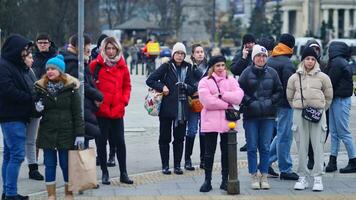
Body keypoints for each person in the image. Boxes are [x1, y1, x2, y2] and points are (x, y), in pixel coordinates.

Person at [33, 54, 84, 200]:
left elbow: (77, 114)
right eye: (48, 69)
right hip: (47, 132)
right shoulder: (40, 88)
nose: (49, 71)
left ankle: (69, 193)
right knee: (49, 165)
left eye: (53, 69)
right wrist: (37, 108)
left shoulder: (71, 89)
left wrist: (80, 134)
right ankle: (51, 194)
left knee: (66, 164)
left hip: (66, 133)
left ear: (60, 71)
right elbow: (35, 111)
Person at [286, 47, 333, 191]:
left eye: (313, 59)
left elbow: (328, 96)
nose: (310, 61)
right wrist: (298, 107)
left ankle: (317, 178)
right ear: (303, 60)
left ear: (316, 60)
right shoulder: (294, 77)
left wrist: (320, 109)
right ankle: (302, 177)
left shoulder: (323, 77)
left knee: (318, 146)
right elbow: (289, 96)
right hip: (299, 114)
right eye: (307, 58)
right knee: (301, 146)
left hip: (318, 114)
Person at [89, 36, 133, 185]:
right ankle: (104, 173)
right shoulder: (95, 65)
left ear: (117, 49)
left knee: (120, 142)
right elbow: (89, 85)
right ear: (103, 49)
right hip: (101, 111)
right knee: (101, 143)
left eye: (113, 48)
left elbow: (127, 85)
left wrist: (124, 100)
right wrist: (96, 101)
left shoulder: (122, 65)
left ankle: (123, 173)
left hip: (117, 110)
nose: (111, 51)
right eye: (108, 48)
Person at [146, 42, 195, 175]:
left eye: (182, 53)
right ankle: (165, 165)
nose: (179, 56)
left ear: (185, 55)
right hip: (167, 108)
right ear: (173, 54)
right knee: (165, 138)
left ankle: (178, 165)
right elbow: (150, 80)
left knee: (179, 138)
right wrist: (162, 87)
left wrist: (186, 86)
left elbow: (193, 88)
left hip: (182, 109)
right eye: (177, 53)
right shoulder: (166, 66)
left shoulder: (188, 67)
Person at [238, 45, 283, 190]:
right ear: (253, 58)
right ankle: (253, 175)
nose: (261, 58)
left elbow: (279, 91)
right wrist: (250, 102)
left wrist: (271, 102)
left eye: (264, 56)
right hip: (251, 115)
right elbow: (239, 91)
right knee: (252, 147)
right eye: (258, 56)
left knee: (265, 147)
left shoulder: (273, 73)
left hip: (268, 116)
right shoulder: (246, 73)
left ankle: (264, 174)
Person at [198, 55, 244, 192]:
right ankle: (207, 180)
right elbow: (207, 102)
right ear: (212, 67)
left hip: (227, 123)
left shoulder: (231, 80)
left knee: (226, 152)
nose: (220, 68)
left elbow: (238, 96)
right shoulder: (204, 81)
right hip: (210, 122)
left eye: (223, 65)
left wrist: (222, 94)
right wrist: (227, 104)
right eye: (217, 65)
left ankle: (225, 180)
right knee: (208, 153)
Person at [0, 34, 33, 200]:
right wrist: (30, 98)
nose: (25, 54)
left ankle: (8, 192)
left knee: (9, 155)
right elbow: (8, 90)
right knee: (17, 155)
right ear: (15, 49)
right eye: (24, 50)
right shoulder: (4, 66)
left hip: (14, 116)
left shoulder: (12, 64)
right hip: (12, 117)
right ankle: (11, 194)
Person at [267, 33, 299, 180]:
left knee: (280, 133)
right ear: (290, 46)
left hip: (273, 103)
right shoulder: (286, 63)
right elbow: (290, 86)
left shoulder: (271, 58)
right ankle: (285, 168)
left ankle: (266, 162)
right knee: (285, 136)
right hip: (285, 103)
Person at [324, 41, 356, 173]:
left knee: (342, 132)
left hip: (340, 100)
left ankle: (353, 161)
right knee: (335, 132)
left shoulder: (337, 63)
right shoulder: (341, 61)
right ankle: (333, 161)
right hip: (337, 100)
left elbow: (330, 81)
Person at [21, 43, 45, 182]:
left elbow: (35, 88)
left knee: (31, 140)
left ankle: (33, 167)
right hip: (24, 111)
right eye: (29, 57)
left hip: (35, 110)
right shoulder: (19, 71)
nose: (32, 59)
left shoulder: (31, 71)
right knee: (20, 142)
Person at [184, 44, 209, 171]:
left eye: (201, 52)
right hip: (193, 103)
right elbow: (186, 84)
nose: (200, 54)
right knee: (192, 130)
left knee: (203, 131)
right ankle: (187, 159)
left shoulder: (209, 68)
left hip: (205, 103)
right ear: (193, 54)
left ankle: (203, 160)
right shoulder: (188, 68)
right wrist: (195, 89)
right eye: (197, 52)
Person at [304, 39, 327, 170]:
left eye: (317, 49)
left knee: (321, 135)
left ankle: (318, 157)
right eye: (312, 48)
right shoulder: (302, 67)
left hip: (321, 106)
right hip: (307, 106)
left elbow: (328, 88)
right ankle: (311, 158)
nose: (315, 51)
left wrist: (325, 104)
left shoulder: (324, 65)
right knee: (308, 135)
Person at [230, 33, 256, 152]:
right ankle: (249, 141)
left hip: (259, 90)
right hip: (245, 92)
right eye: (247, 42)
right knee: (247, 118)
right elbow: (234, 69)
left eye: (252, 42)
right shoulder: (240, 54)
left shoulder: (259, 53)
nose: (250, 45)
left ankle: (256, 141)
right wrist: (243, 58)